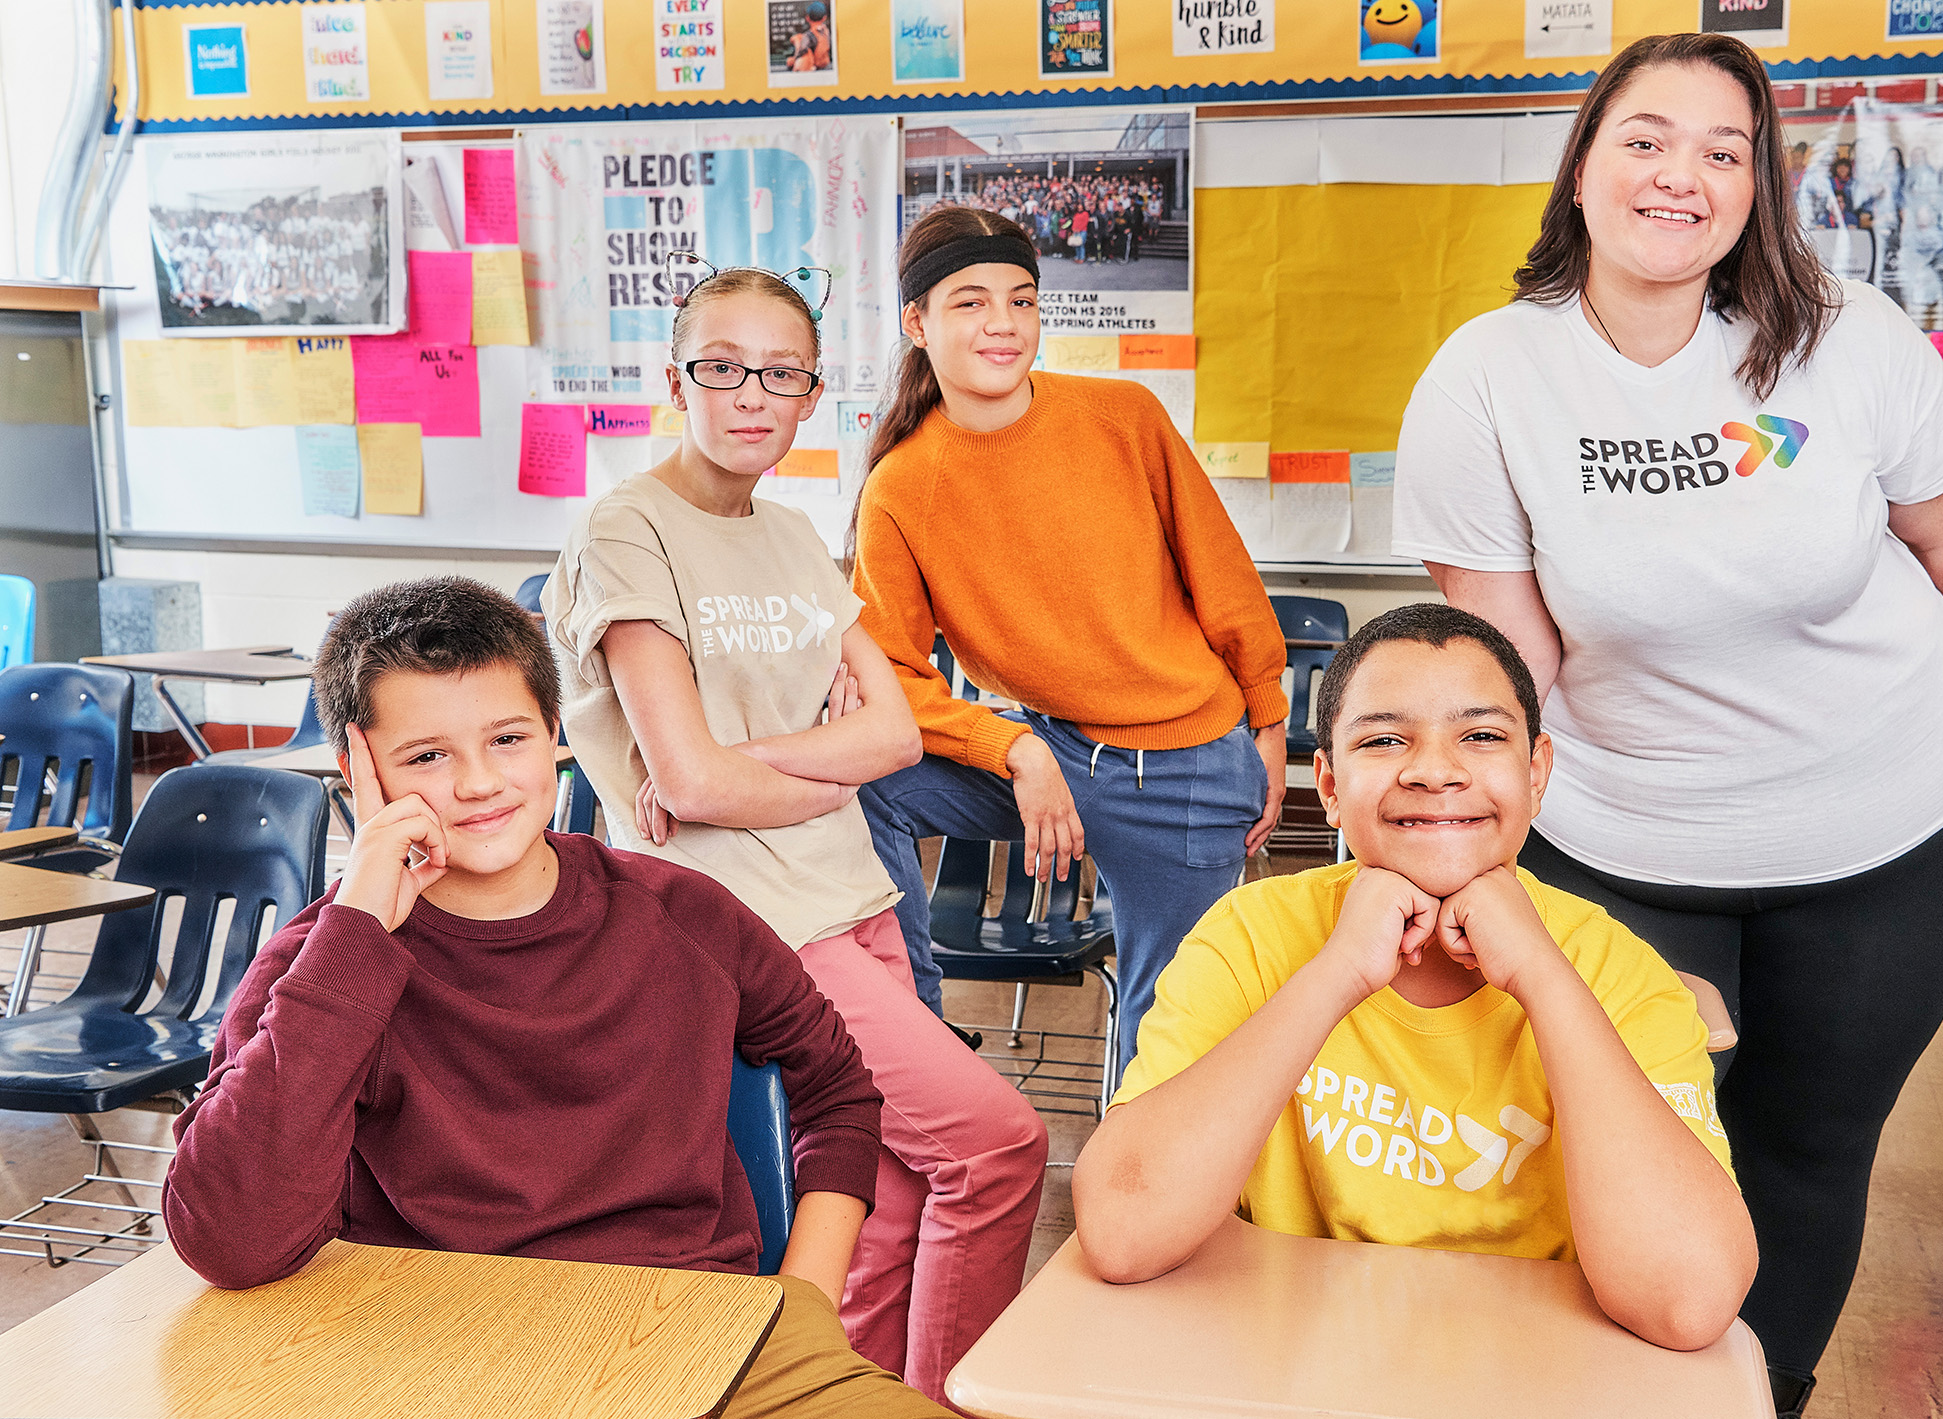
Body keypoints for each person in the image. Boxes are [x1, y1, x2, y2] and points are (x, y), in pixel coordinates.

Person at [1391, 32, 1943, 1418]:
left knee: (1809, 1142)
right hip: (1626, 835)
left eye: (1725, 149)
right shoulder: (1489, 378)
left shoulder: (1850, 338)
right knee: (1622, 1143)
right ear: (1581, 166)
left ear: (1758, 188)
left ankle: (1765, 1397)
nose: (1682, 175)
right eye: (1645, 138)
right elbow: (1508, 659)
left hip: (1895, 813)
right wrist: (1467, 838)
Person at [159, 578, 949, 1419]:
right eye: (426, 755)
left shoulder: (684, 913)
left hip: (697, 1337)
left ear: (553, 733)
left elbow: (836, 1086)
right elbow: (230, 1239)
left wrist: (803, 1304)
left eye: (507, 738)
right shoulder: (320, 963)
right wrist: (356, 932)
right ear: (358, 766)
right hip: (430, 1361)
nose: (476, 783)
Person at [544, 263, 1045, 1404]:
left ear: (813, 395)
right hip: (755, 923)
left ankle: (838, 1398)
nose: (750, 397)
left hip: (855, 895)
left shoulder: (790, 534)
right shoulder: (628, 532)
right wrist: (764, 772)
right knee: (996, 1146)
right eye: (721, 370)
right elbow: (688, 782)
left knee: (890, 1189)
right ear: (676, 379)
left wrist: (746, 770)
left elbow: (896, 741)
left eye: (779, 375)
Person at [1071, 604, 1755, 1351]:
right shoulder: (1248, 938)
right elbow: (1121, 1230)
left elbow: (1687, 1299)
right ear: (1328, 783)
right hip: (1279, 1367)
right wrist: (1336, 972)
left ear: (1536, 774)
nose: (1434, 770)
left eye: (1482, 735)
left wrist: (1541, 975)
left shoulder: (1621, 973)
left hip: (1536, 1375)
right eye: (1385, 738)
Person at [851, 204, 1290, 1069]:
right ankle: (919, 1041)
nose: (1004, 324)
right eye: (971, 302)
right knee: (862, 781)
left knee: (1168, 1036)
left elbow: (1224, 578)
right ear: (917, 321)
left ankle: (1142, 1201)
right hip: (1051, 756)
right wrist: (1014, 750)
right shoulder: (899, 488)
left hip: (1188, 767)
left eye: (1021, 299)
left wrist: (1268, 725)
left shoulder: (1124, 416)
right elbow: (891, 675)